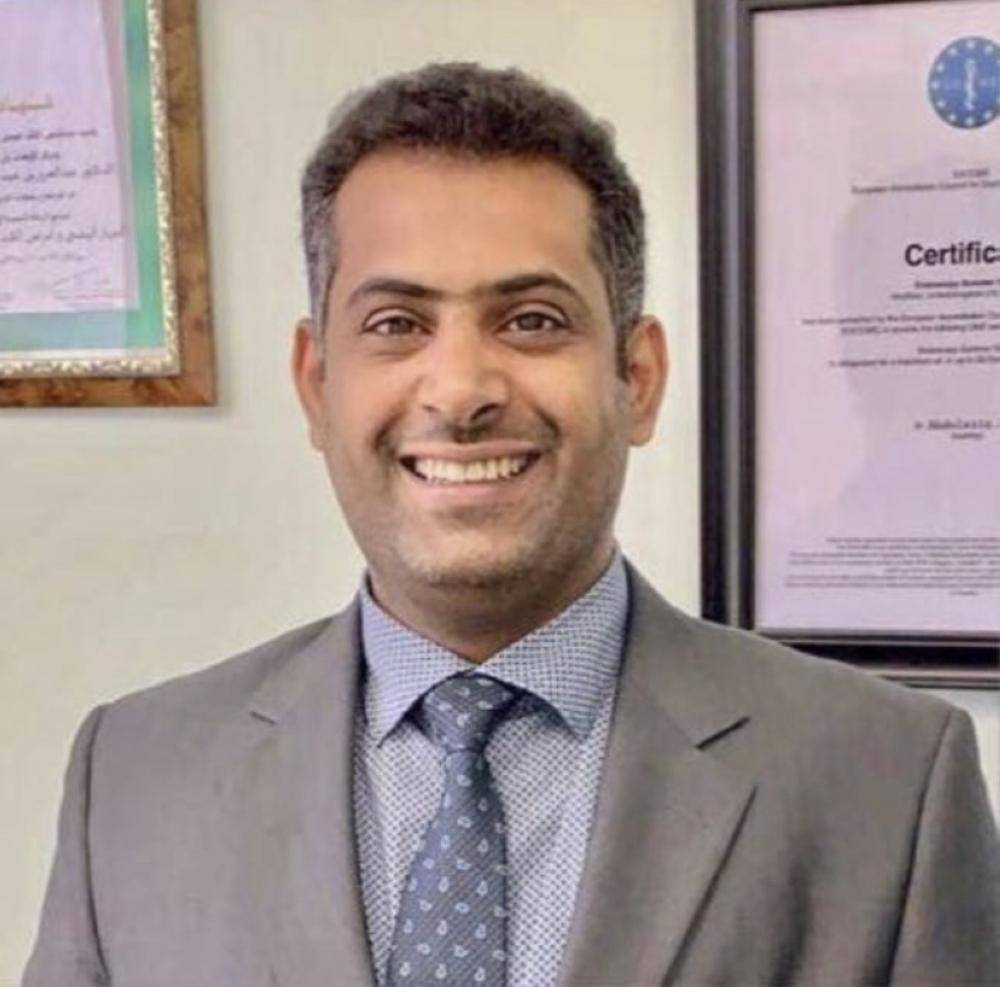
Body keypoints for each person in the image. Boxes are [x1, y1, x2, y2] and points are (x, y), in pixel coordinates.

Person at [24, 62, 998, 987]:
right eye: (397, 324)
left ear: (637, 378)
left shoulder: (889, 783)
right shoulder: (134, 775)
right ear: (317, 386)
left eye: (531, 319)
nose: (460, 392)